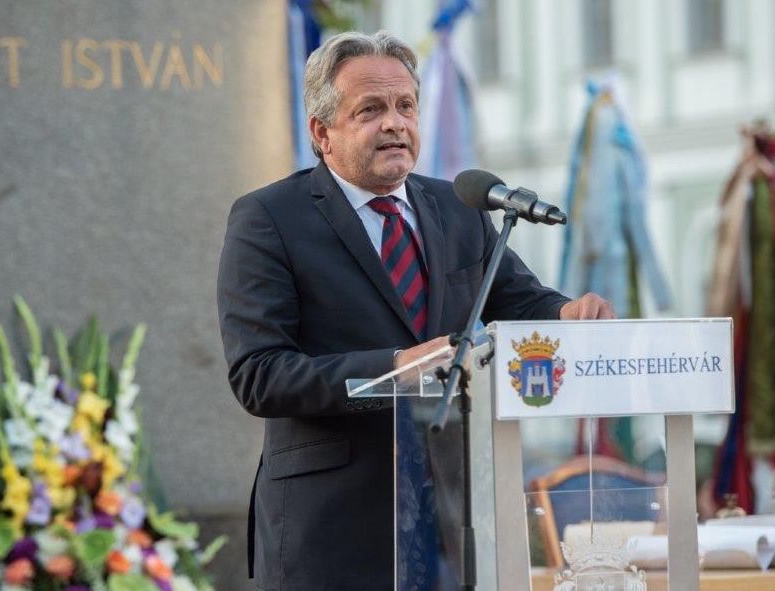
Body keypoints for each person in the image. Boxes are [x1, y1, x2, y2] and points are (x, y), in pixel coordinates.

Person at [217, 30, 613, 591]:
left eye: (406, 106)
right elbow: (259, 374)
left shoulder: (460, 208)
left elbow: (523, 302)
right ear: (322, 133)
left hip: (450, 520)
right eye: (371, 110)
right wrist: (395, 367)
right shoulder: (269, 219)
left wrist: (568, 315)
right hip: (330, 530)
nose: (395, 124)